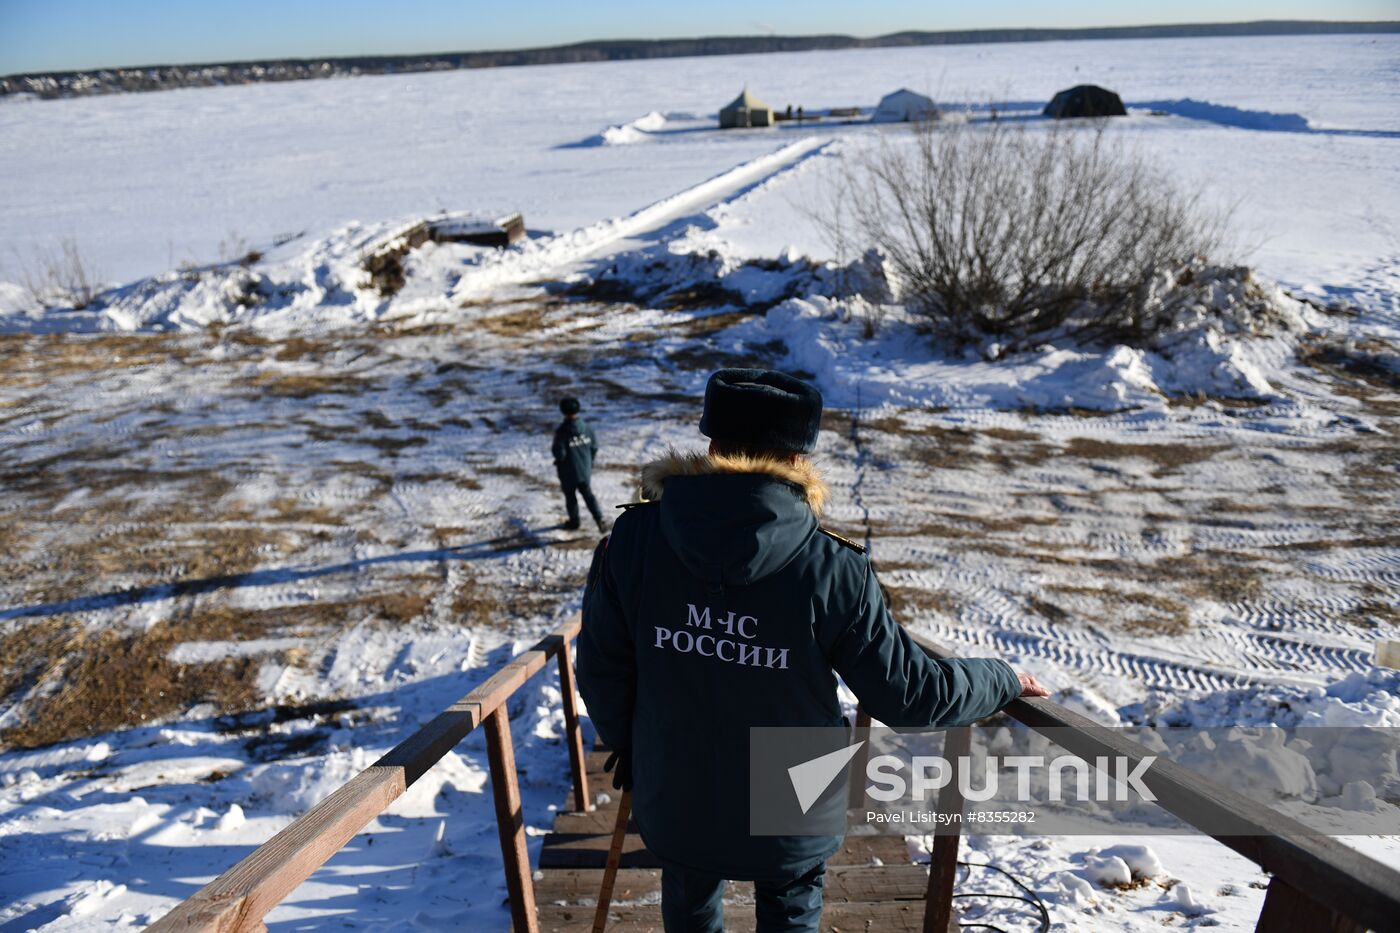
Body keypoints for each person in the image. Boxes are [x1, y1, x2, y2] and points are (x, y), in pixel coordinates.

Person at [577, 369, 1047, 933]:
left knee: (688, 895)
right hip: (793, 787)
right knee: (791, 909)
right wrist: (1001, 678)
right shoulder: (832, 567)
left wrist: (633, 746)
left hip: (677, 784)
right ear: (800, 460)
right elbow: (907, 694)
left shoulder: (634, 540)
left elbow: (601, 668)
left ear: (710, 445)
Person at [552, 396, 606, 532]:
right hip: (584, 470)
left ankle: (574, 522)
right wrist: (588, 463)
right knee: (588, 495)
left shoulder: (562, 432)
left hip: (567, 472)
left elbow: (560, 454)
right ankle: (599, 519)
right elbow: (594, 448)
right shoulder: (587, 428)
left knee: (571, 498)